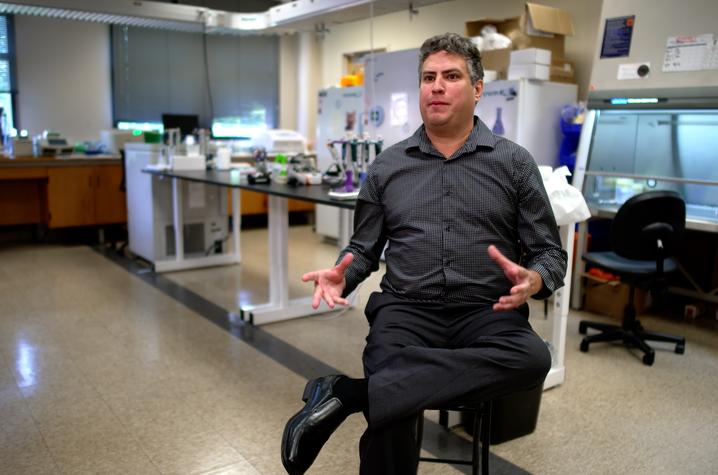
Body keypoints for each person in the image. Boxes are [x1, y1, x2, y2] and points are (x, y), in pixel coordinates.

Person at [281, 32, 567, 475]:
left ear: (476, 89)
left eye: (451, 76)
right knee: (393, 415)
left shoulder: (513, 163)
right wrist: (345, 274)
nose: (436, 86)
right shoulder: (388, 166)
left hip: (487, 310)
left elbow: (549, 252)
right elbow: (363, 247)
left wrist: (534, 278)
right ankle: (382, 393)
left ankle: (351, 394)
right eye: (428, 77)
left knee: (533, 359)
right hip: (406, 309)